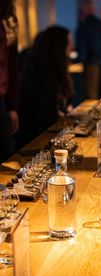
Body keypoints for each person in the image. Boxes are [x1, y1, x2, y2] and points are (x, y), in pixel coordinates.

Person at [16, 25, 74, 149]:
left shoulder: (53, 67)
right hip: (36, 141)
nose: (71, 46)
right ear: (59, 45)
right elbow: (45, 115)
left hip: (44, 134)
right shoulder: (47, 73)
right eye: (68, 43)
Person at [0, 0, 19, 162]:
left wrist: (12, 106)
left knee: (6, 152)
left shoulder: (9, 21)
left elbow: (12, 65)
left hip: (2, 99)